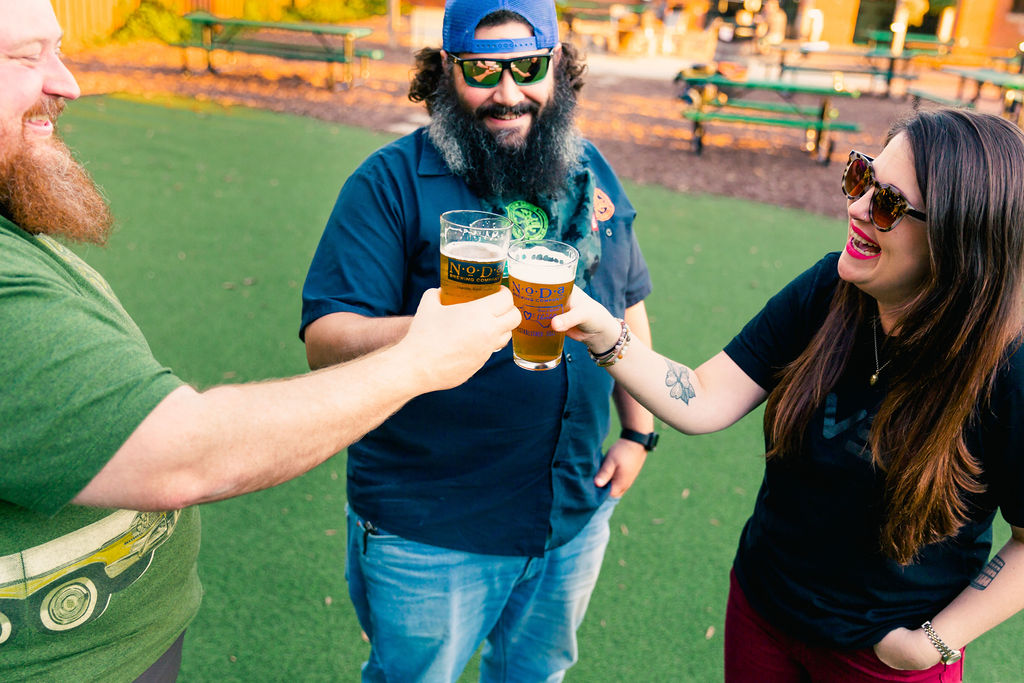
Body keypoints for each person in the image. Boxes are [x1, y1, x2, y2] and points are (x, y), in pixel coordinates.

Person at [0, 1, 521, 680]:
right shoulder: (389, 180)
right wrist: (419, 358)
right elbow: (180, 453)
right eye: (25, 56)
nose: (67, 82)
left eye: (59, 50)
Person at [552, 108, 1024, 681]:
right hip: (763, 610)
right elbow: (702, 397)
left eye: (887, 204)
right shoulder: (832, 288)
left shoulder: (1007, 367)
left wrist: (931, 644)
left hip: (883, 657)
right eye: (861, 176)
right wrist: (604, 330)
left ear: (959, 240)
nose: (855, 206)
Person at [300, 0, 655, 679]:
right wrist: (423, 329)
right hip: (433, 526)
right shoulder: (390, 181)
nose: (508, 92)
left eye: (527, 66)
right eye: (482, 69)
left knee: (534, 673)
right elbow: (326, 336)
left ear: (557, 68)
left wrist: (637, 434)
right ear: (444, 73)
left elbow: (628, 295)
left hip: (571, 514)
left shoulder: (589, 170)